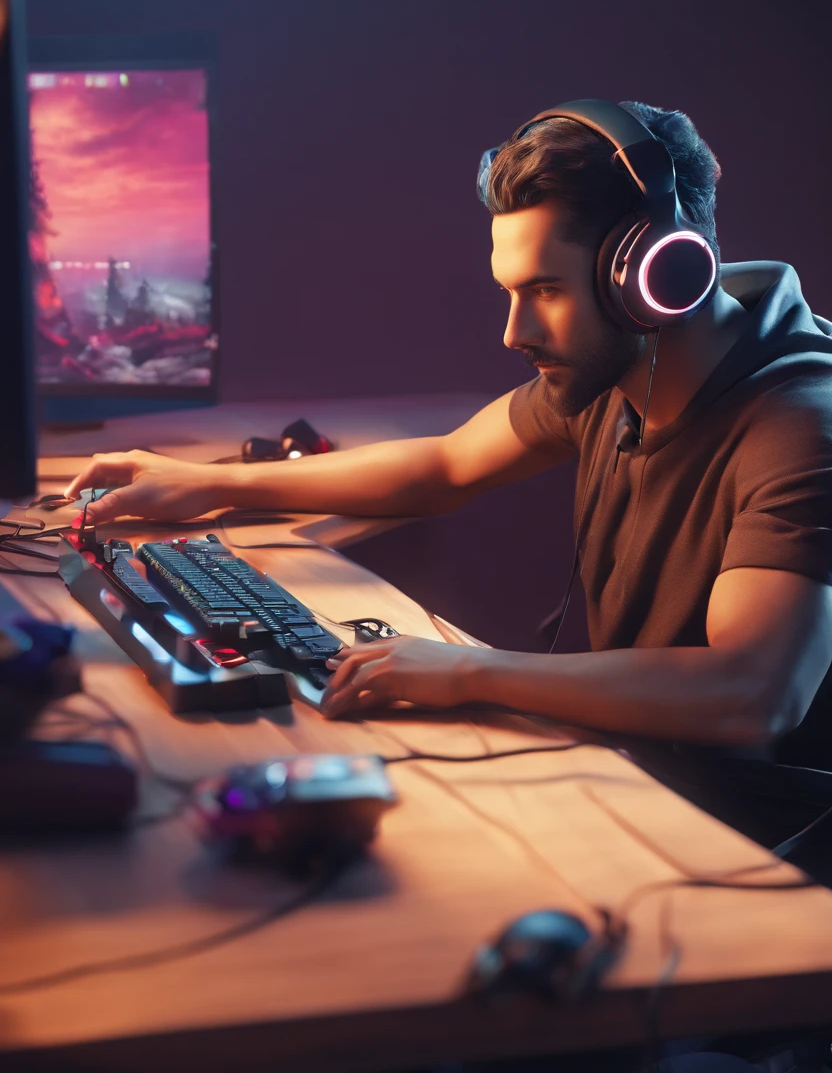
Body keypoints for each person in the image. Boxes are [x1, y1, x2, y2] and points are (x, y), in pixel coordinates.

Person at [66, 99, 832, 846]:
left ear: (656, 280)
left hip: (759, 845)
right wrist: (211, 484)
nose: (513, 332)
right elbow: (445, 464)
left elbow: (752, 693)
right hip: (646, 782)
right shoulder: (623, 367)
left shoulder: (799, 422)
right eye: (510, 293)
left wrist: (471, 671)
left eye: (546, 292)